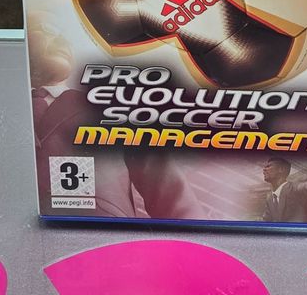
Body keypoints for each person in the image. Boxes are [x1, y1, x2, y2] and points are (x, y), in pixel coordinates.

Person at [28, 11, 204, 220]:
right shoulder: (7, 109)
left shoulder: (108, 108)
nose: (60, 40)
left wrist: (194, 235)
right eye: (48, 29)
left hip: (100, 233)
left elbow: (171, 194)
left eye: (62, 35)